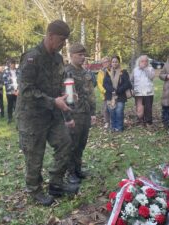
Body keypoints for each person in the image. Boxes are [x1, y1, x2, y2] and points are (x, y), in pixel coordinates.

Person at [16, 20, 79, 206]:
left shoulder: (58, 59)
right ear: (50, 36)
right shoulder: (31, 58)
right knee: (35, 155)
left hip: (52, 114)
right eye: (61, 39)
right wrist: (53, 101)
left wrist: (66, 94)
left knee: (65, 142)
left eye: (65, 40)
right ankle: (34, 191)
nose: (62, 44)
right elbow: (26, 90)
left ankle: (56, 184)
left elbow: (58, 83)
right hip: (32, 117)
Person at [65, 43, 96, 184]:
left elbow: (91, 94)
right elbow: (65, 95)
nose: (83, 57)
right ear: (71, 55)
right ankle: (70, 172)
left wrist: (93, 112)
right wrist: (67, 116)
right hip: (73, 114)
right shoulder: (66, 72)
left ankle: (78, 169)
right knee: (72, 144)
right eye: (80, 55)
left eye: (84, 55)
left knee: (81, 143)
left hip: (85, 113)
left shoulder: (85, 72)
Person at [103, 56, 132, 132]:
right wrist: (112, 90)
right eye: (113, 62)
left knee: (119, 112)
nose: (114, 63)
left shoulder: (124, 72)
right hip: (110, 95)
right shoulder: (107, 72)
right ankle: (113, 127)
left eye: (116, 62)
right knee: (112, 112)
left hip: (120, 95)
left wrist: (118, 90)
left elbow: (127, 83)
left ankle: (119, 127)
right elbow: (105, 84)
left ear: (119, 62)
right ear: (111, 63)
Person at [131, 55, 155, 126]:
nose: (144, 62)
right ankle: (140, 120)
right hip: (138, 92)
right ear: (139, 62)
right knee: (139, 108)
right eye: (142, 61)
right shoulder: (135, 70)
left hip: (148, 92)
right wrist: (132, 89)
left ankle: (148, 122)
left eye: (146, 61)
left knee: (148, 108)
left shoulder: (151, 69)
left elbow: (151, 77)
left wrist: (145, 69)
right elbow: (131, 80)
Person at [97, 57, 111, 128]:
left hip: (112, 92)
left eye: (107, 62)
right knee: (105, 108)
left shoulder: (112, 70)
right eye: (104, 62)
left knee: (112, 107)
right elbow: (99, 83)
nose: (105, 63)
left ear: (109, 62)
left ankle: (112, 121)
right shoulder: (100, 72)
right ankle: (107, 122)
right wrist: (104, 91)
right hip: (104, 93)